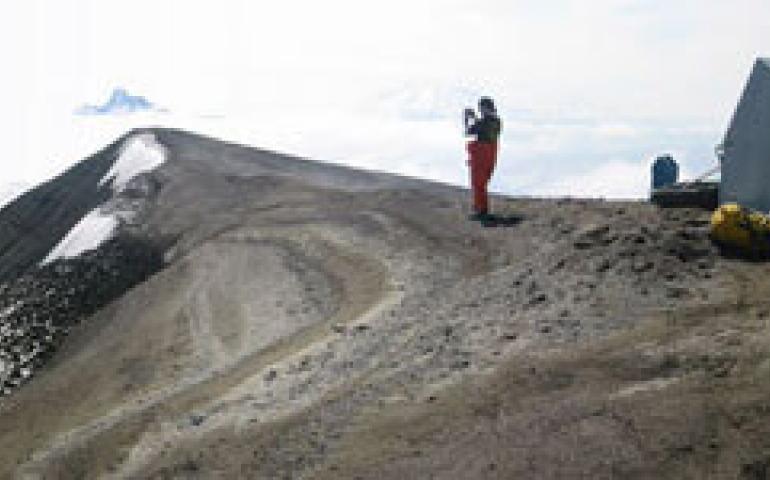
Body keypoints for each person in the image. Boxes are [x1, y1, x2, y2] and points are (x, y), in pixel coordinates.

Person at [464, 97, 502, 221]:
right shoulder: (496, 121)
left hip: (482, 154)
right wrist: (474, 118)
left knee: (478, 183)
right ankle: (480, 208)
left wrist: (469, 119)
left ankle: (481, 210)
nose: (481, 110)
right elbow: (480, 128)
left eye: (481, 108)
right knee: (480, 183)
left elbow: (470, 131)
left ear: (486, 108)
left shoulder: (488, 121)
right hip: (489, 154)